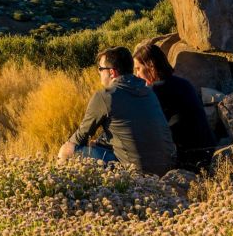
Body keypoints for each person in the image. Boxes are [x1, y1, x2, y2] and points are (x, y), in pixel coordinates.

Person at [58, 46, 176, 176]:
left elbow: (80, 137)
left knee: (67, 150)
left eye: (100, 69)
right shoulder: (148, 91)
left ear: (112, 72)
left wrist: (67, 148)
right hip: (167, 167)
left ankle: (62, 189)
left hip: (137, 173)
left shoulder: (105, 96)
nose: (99, 73)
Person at [133, 41, 216, 172]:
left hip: (189, 157)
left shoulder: (156, 90)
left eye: (138, 68)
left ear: (150, 66)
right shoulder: (183, 82)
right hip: (208, 149)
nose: (136, 75)